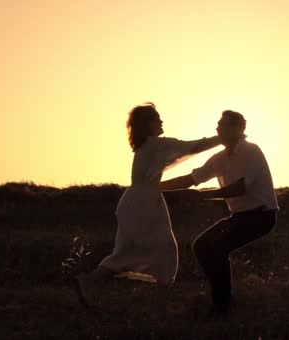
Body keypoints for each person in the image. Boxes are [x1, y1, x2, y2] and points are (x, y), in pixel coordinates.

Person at [74, 103, 221, 307]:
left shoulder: (146, 146)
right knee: (165, 250)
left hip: (135, 201)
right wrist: (223, 139)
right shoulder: (156, 145)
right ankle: (162, 299)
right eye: (157, 118)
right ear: (148, 123)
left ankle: (89, 281)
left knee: (131, 252)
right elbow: (193, 146)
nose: (161, 121)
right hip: (144, 204)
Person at [159, 110, 278, 316]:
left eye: (222, 125)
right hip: (240, 216)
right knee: (202, 246)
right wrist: (154, 187)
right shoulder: (219, 158)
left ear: (238, 129)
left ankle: (222, 304)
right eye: (218, 124)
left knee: (218, 248)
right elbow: (192, 178)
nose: (217, 129)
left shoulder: (251, 151)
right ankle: (223, 298)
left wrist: (202, 196)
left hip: (261, 216)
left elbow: (239, 188)